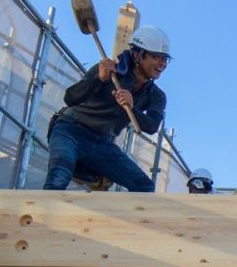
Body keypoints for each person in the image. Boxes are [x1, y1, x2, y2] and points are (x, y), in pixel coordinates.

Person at [43, 25, 171, 192]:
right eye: (156, 57)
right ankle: (43, 216)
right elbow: (70, 98)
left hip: (102, 143)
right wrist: (98, 79)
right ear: (137, 54)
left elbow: (152, 126)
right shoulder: (108, 71)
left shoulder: (156, 96)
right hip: (70, 130)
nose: (162, 63)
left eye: (165, 59)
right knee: (58, 177)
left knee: (144, 187)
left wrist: (132, 108)